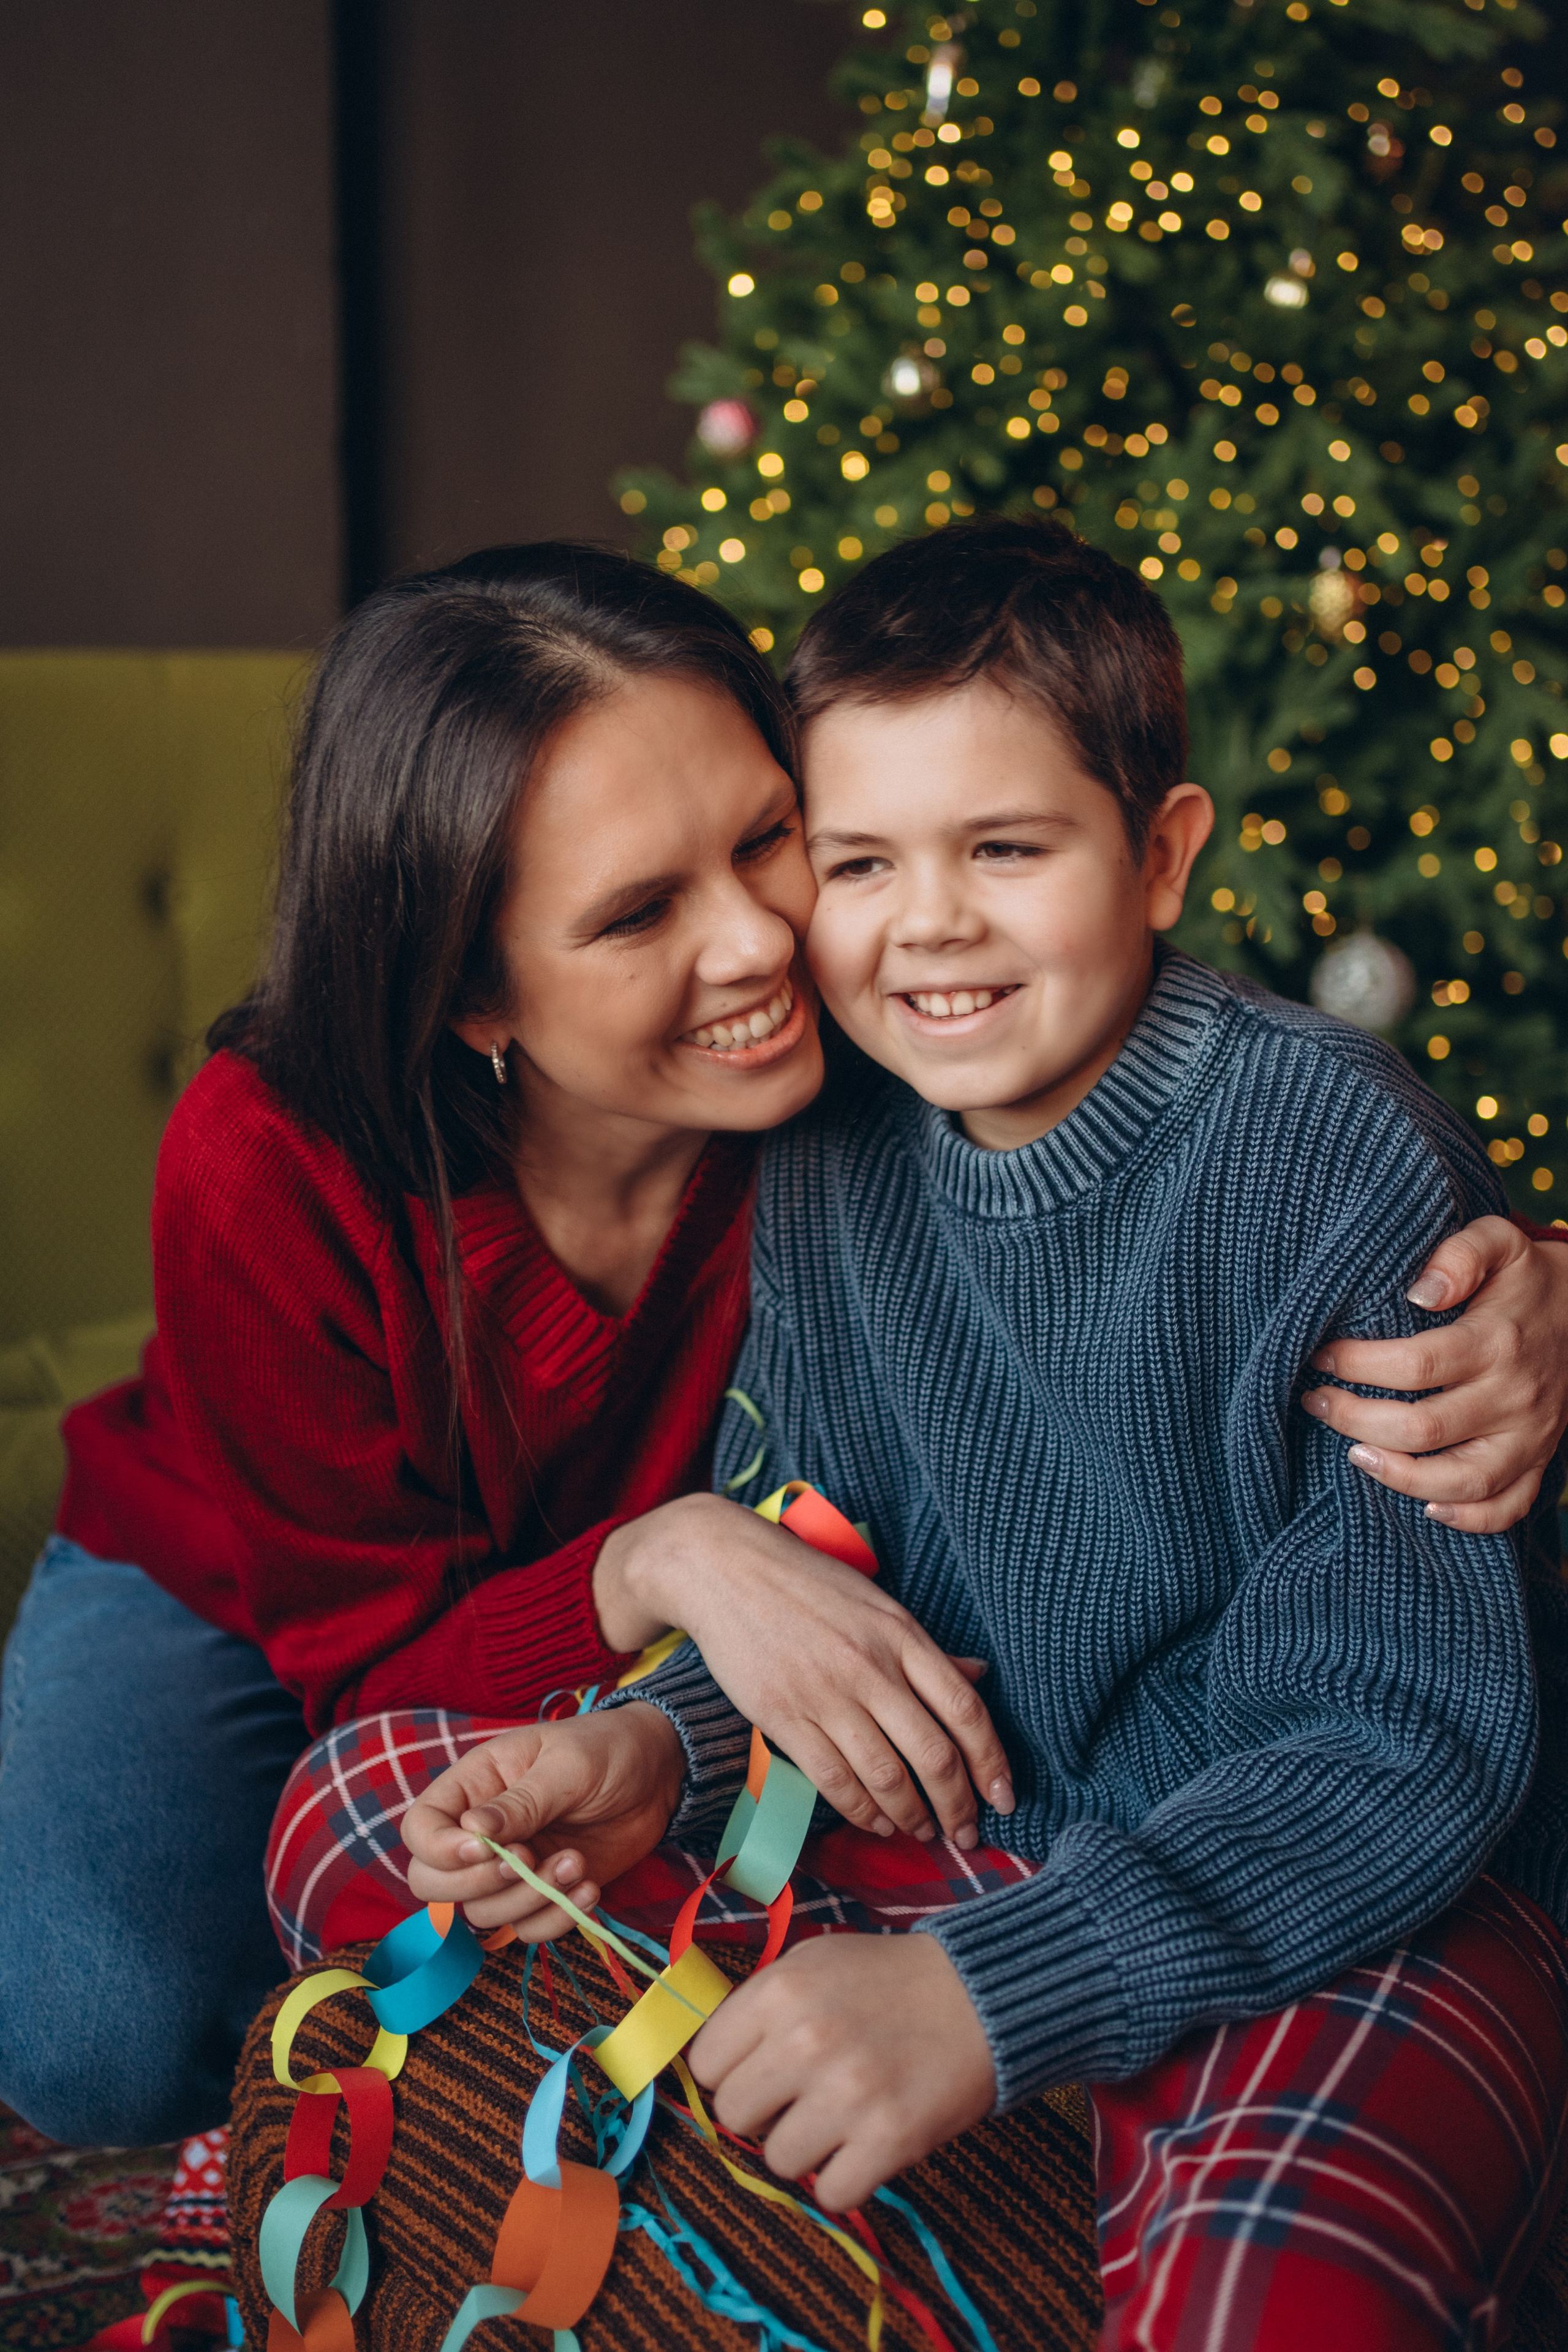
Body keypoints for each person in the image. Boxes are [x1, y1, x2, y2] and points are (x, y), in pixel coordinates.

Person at [1, 543, 1561, 2152]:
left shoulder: (882, 1043)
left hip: (728, 1641)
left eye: (769, 841)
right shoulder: (269, 1159)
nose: (759, 943)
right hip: (269, 1591)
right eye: (639, 912)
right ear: (476, 991)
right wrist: (665, 1560)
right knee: (102, 2027)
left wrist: (1539, 1278)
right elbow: (363, 1671)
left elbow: (1189, 1118)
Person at [403, 521, 1568, 2348]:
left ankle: (1117, 2149)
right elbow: (836, 1576)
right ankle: (1017, 2178)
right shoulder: (834, 1141)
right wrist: (658, 1748)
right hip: (992, 1835)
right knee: (370, 1813)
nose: (930, 922)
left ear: (1160, 857)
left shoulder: (1329, 1161)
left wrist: (992, 1995)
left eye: (1006, 849)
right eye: (861, 861)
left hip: (1343, 1889)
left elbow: (1397, 1742)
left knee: (1276, 2300)